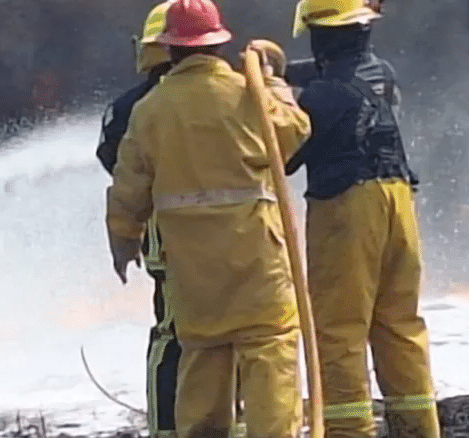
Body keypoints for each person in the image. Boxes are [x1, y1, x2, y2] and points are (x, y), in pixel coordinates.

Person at [104, 0, 312, 436]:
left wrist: (123, 243)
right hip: (257, 263)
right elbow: (294, 133)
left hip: (194, 272)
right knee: (269, 354)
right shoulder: (247, 93)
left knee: (203, 358)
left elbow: (128, 189)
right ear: (218, 43)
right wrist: (273, 84)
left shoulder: (150, 111)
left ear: (169, 48)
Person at [286, 0, 443, 437]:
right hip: (399, 200)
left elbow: (286, 159)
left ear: (321, 36)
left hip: (348, 208)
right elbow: (339, 75)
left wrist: (275, 95)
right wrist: (283, 72)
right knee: (399, 325)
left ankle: (349, 431)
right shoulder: (382, 75)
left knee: (339, 330)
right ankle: (418, 427)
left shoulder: (318, 99)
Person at [94, 2, 179, 437]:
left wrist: (125, 237)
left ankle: (168, 427)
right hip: (240, 243)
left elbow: (116, 166)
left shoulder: (131, 108)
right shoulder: (235, 92)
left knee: (173, 334)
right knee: (234, 336)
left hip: (170, 241)